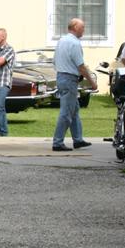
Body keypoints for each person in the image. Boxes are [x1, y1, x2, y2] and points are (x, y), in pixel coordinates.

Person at [52, 18, 97, 151]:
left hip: (61, 76)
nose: (84, 30)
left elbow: (54, 61)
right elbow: (81, 66)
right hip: (69, 79)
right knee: (66, 112)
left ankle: (78, 140)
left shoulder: (61, 41)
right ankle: (57, 142)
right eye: (82, 27)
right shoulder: (74, 43)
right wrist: (92, 82)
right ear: (75, 27)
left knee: (74, 110)